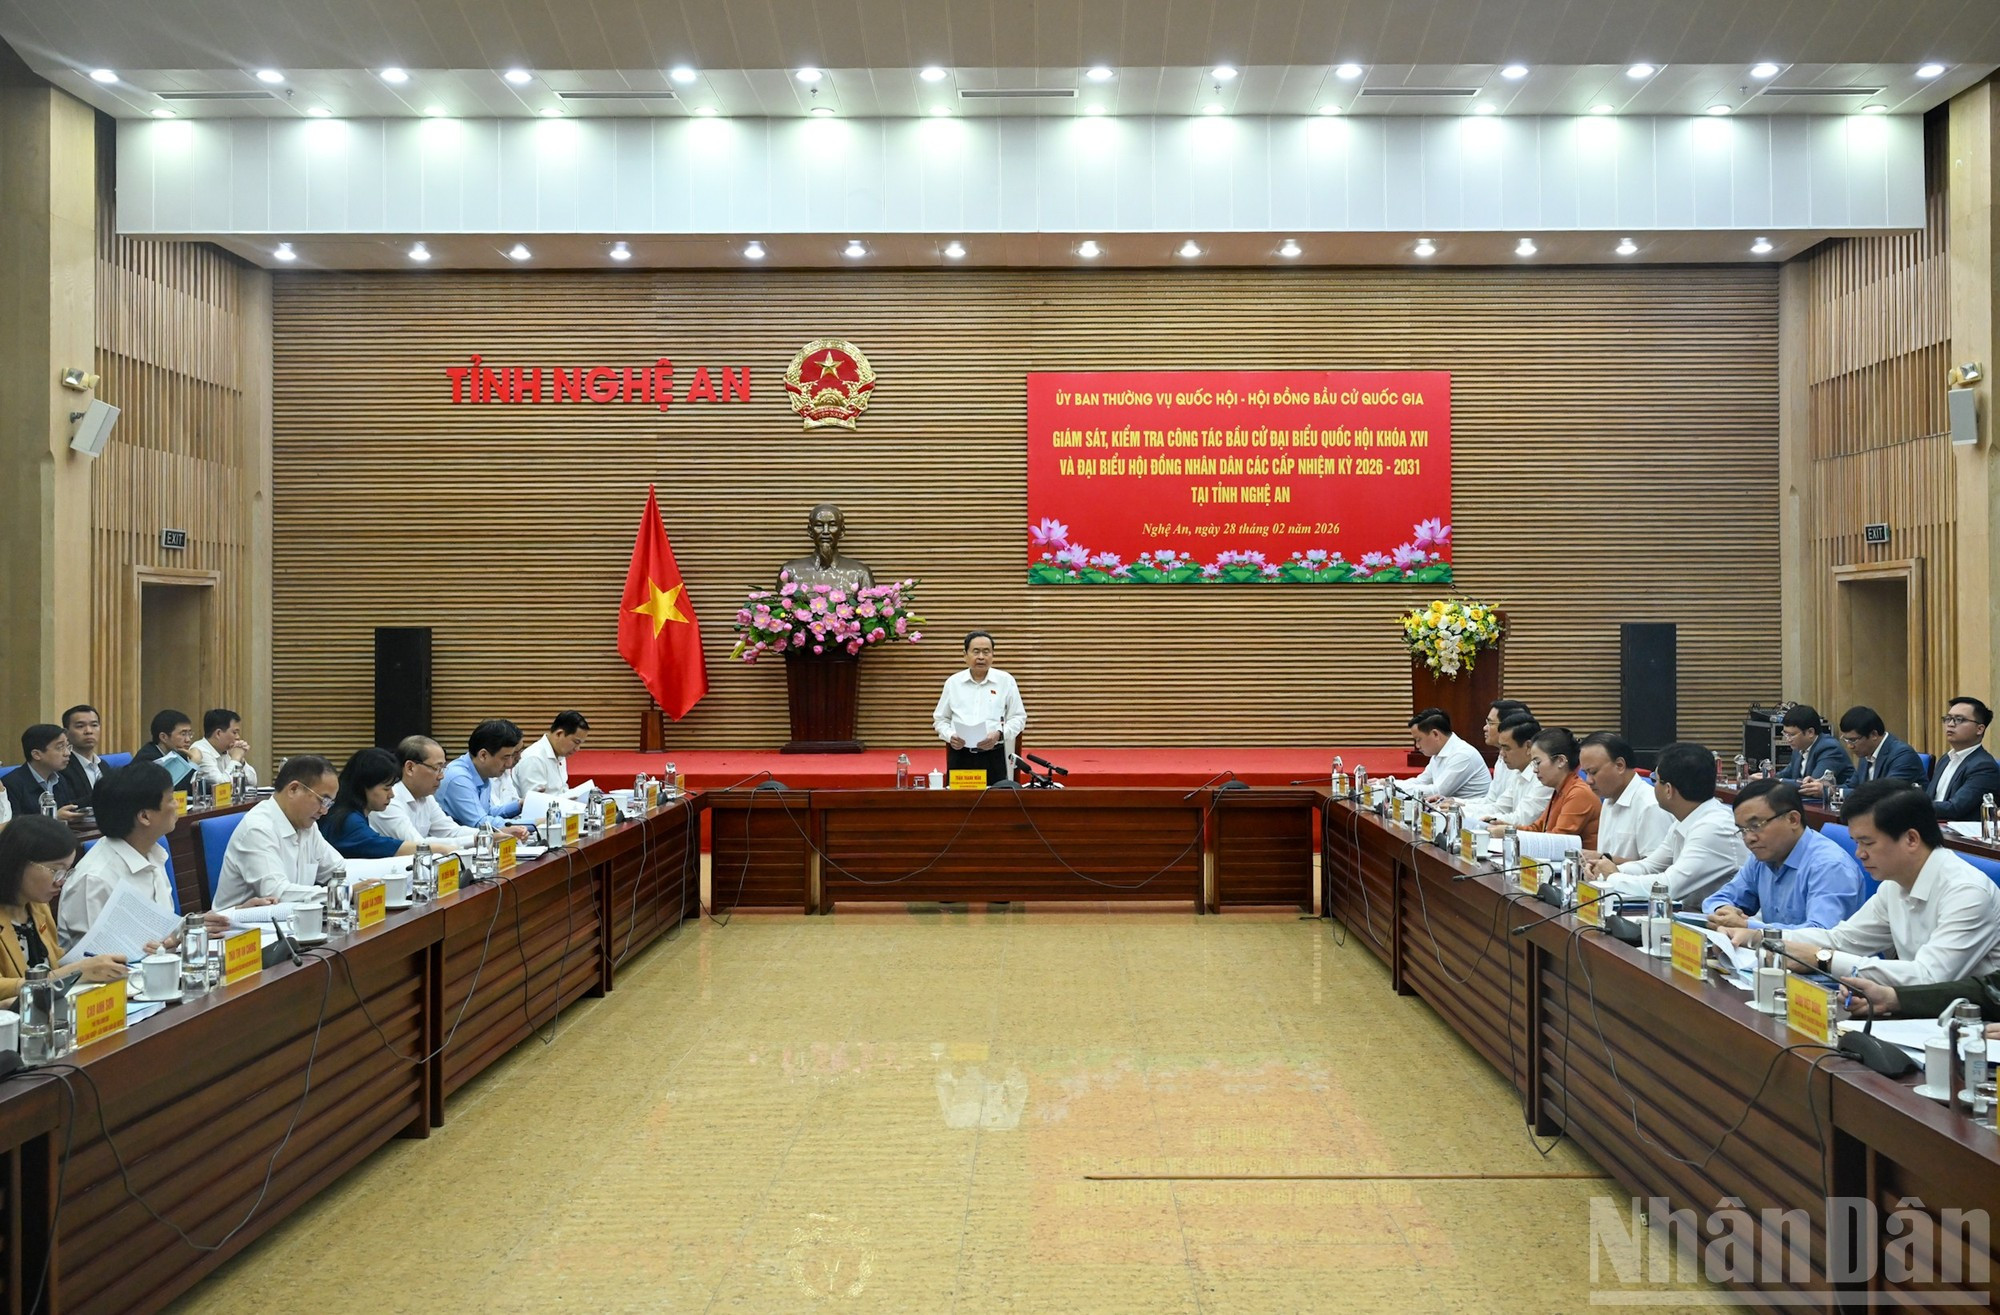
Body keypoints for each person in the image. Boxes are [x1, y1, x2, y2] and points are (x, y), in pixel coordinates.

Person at [1740, 781, 2000, 986]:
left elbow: (1929, 976)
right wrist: (1760, 936)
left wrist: (1823, 960)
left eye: (1868, 843)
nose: (1859, 854)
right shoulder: (1894, 884)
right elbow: (1842, 939)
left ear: (1911, 839)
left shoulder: (1966, 892)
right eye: (1856, 842)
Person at [57, 761, 238, 946]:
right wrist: (169, 942)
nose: (177, 805)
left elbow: (160, 929)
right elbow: (94, 962)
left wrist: (189, 925)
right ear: (144, 817)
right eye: (170, 799)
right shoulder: (94, 879)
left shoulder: (152, 853)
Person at [1590, 741, 1747, 903]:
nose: (1652, 785)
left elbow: (1669, 886)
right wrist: (1602, 869)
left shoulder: (1713, 827)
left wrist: (1613, 877)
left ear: (1668, 789)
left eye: (1655, 780)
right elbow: (1650, 866)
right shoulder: (1685, 819)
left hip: (1723, 920)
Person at [1703, 778, 1868, 933]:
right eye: (1742, 830)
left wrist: (1748, 927)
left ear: (1793, 819)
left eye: (1755, 826)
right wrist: (1723, 910)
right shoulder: (1762, 857)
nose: (1749, 838)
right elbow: (1719, 899)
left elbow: (1821, 934)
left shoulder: (1829, 866)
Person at [0, 816, 130, 996]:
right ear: (18, 863)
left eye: (67, 872)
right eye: (56, 871)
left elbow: (55, 962)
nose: (61, 881)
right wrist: (75, 971)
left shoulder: (38, 907)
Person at [213, 755, 347, 907]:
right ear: (293, 789)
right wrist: (341, 893)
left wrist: (373, 883)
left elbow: (338, 868)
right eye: (323, 800)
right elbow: (277, 893)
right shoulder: (258, 829)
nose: (324, 811)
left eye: (329, 804)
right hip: (237, 927)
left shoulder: (307, 825)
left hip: (288, 923)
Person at [932, 631, 1027, 786]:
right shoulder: (953, 683)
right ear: (965, 655)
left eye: (986, 652)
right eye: (976, 652)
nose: (981, 657)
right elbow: (940, 719)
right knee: (960, 804)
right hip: (960, 754)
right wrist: (950, 736)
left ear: (993, 655)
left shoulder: (1006, 681)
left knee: (994, 803)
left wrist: (999, 734)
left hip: (993, 755)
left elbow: (1018, 718)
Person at [320, 747, 444, 859]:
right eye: (386, 788)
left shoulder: (355, 813)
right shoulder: (349, 820)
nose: (392, 794)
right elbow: (385, 846)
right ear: (363, 786)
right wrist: (441, 849)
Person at [371, 736, 489, 846]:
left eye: (443, 768)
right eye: (436, 768)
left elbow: (450, 831)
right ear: (410, 768)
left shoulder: (426, 797)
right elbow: (417, 845)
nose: (441, 776)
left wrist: (488, 834)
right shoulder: (389, 800)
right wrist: (475, 839)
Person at [1579, 732, 1670, 864]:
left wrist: (1602, 859)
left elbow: (1658, 870)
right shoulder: (1608, 799)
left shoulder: (1650, 805)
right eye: (1585, 773)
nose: (1588, 780)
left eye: (1593, 772)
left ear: (1620, 765)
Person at [1517, 727, 1599, 847]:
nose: (1534, 770)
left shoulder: (1578, 793)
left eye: (1538, 762)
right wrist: (1507, 830)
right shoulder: (1559, 790)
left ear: (1560, 761)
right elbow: (1538, 829)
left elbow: (1556, 841)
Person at [439, 720, 530, 827]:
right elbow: (481, 823)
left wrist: (519, 806)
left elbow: (486, 812)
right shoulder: (458, 778)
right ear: (483, 755)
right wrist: (534, 824)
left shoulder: (482, 773)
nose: (509, 763)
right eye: (505, 757)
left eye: (511, 756)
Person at [1466, 714, 1552, 827]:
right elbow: (1499, 807)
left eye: (1506, 748)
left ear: (1528, 747)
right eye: (1501, 747)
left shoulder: (1544, 777)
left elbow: (1522, 819)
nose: (1501, 754)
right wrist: (1461, 812)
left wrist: (1487, 820)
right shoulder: (1518, 772)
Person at [1926, 696, 2000, 821]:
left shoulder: (1984, 766)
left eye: (1959, 719)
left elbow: (1955, 809)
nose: (1950, 724)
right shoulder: (1945, 759)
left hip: (1958, 836)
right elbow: (1930, 798)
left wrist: (1912, 806)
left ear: (1980, 729)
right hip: (1933, 826)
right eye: (1947, 719)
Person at [1405, 707, 1491, 803]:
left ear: (1435, 734)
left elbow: (1437, 791)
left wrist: (1395, 788)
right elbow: (1421, 781)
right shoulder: (1438, 752)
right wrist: (1390, 784)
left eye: (1418, 739)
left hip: (1474, 812)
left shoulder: (1463, 754)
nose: (1417, 746)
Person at [2, 724, 84, 821]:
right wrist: (52, 817)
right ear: (37, 754)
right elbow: (11, 826)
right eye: (60, 747)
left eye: (67, 746)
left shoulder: (60, 779)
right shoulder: (11, 784)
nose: (67, 753)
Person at [1837, 706, 1925, 787]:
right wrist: (1829, 790)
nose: (1849, 746)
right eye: (1846, 740)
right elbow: (1852, 786)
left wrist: (1841, 794)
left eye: (1853, 740)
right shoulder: (1866, 753)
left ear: (1874, 735)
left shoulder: (1903, 755)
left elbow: (1885, 793)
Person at [1778, 704, 1850, 800]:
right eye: (1785, 734)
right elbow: (1786, 774)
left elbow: (1812, 787)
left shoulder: (1830, 748)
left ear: (1810, 732)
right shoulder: (1799, 747)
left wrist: (1778, 781)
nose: (1788, 739)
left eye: (1791, 735)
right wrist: (1766, 778)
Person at [514, 711, 590, 796]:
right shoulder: (534, 759)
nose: (577, 749)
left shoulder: (560, 754)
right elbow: (534, 803)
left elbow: (562, 791)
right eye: (576, 742)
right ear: (559, 734)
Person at [187, 707, 259, 789]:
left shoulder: (228, 749)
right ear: (218, 733)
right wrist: (235, 759)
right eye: (234, 732)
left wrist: (241, 761)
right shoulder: (200, 751)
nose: (238, 737)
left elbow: (253, 782)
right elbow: (222, 786)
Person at [59, 704, 109, 797]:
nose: (89, 731)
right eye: (80, 726)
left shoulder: (104, 766)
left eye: (94, 725)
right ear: (66, 733)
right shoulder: (62, 768)